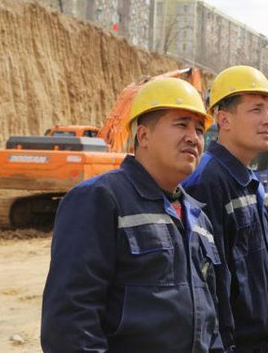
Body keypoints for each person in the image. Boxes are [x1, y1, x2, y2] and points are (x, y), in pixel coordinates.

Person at [41, 77, 225, 352]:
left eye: (200, 129)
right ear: (143, 135)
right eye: (181, 124)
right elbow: (70, 321)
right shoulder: (100, 199)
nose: (193, 137)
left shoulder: (198, 218)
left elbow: (210, 318)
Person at [182, 65, 268, 353]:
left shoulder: (248, 181)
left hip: (254, 341)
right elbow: (203, 283)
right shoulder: (207, 182)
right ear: (223, 119)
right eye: (256, 110)